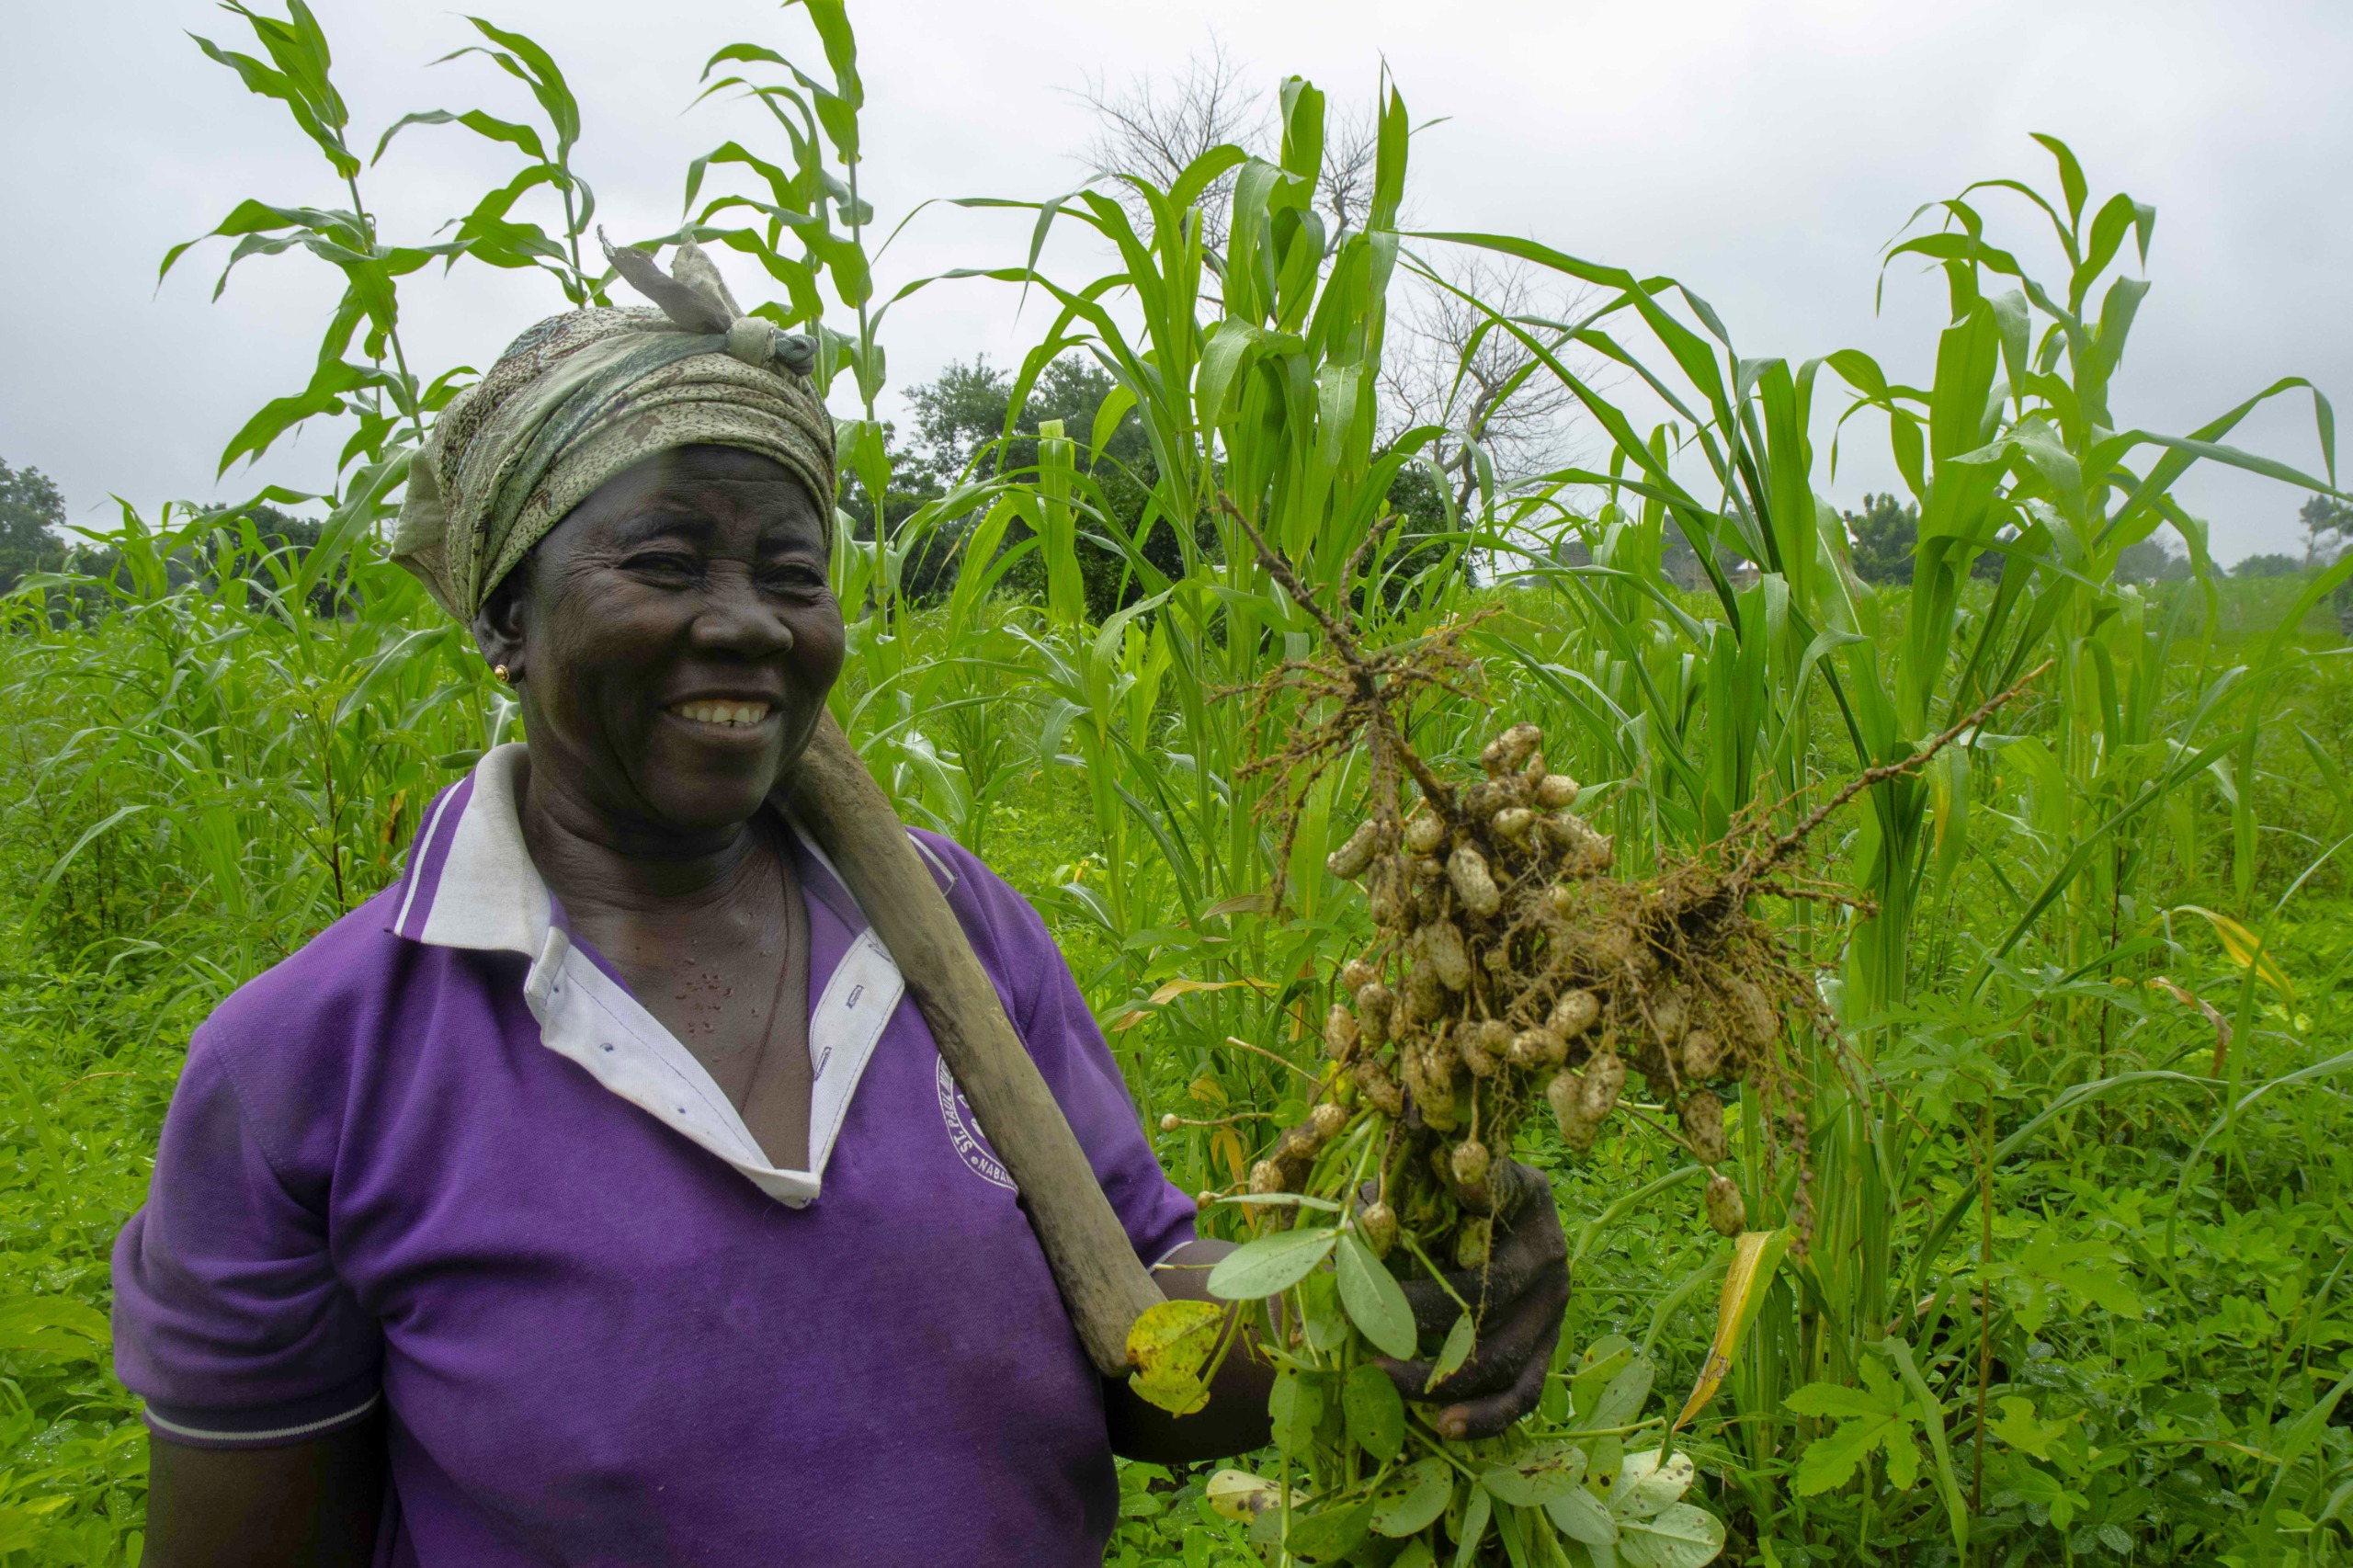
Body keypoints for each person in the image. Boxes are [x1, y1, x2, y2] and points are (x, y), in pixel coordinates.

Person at [112, 240, 1570, 1567]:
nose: (745, 618)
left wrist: (1379, 1305)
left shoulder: (958, 924)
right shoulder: (311, 1062)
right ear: (504, 617)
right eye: (665, 562)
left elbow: (1141, 1340)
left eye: (791, 573)